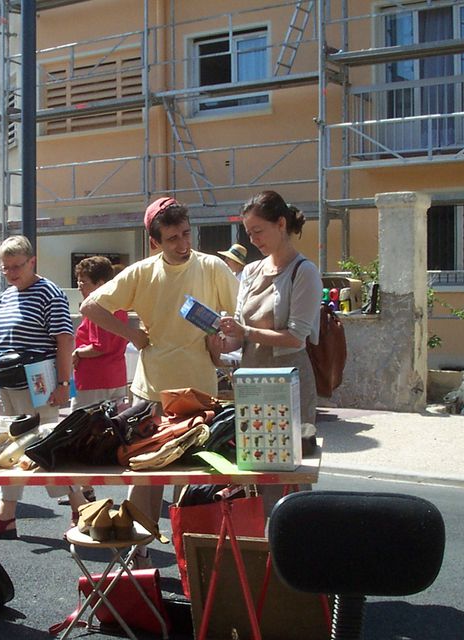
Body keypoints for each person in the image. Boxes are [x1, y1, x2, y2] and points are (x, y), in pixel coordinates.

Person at [80, 196, 238, 566]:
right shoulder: (142, 272)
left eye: (186, 234)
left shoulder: (213, 266)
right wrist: (131, 335)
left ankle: (195, 561)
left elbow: (239, 319)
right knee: (148, 478)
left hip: (200, 394)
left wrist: (223, 345)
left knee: (194, 480)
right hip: (152, 393)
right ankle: (138, 556)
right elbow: (90, 306)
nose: (183, 244)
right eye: (172, 239)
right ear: (154, 241)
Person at [0, 235, 87, 538]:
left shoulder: (50, 293)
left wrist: (64, 383)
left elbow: (65, 340)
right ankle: (7, 516)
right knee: (8, 450)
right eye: (6, 269)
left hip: (39, 382)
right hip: (7, 384)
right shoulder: (7, 296)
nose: (12, 273)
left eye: (17, 266)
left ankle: (80, 506)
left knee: (44, 447)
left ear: (32, 262)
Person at [210, 191, 321, 427]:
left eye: (258, 231)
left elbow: (295, 338)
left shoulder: (304, 272)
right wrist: (219, 339)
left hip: (289, 387)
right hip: (251, 386)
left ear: (281, 224)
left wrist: (245, 332)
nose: (253, 239)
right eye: (249, 233)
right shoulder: (250, 271)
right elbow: (238, 339)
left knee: (290, 459)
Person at [71, 256, 129, 409]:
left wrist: (77, 353)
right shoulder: (120, 305)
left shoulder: (97, 307)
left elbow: (100, 346)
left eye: (84, 282)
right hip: (117, 377)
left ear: (101, 283)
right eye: (78, 281)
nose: (79, 286)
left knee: (81, 428)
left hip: (93, 380)